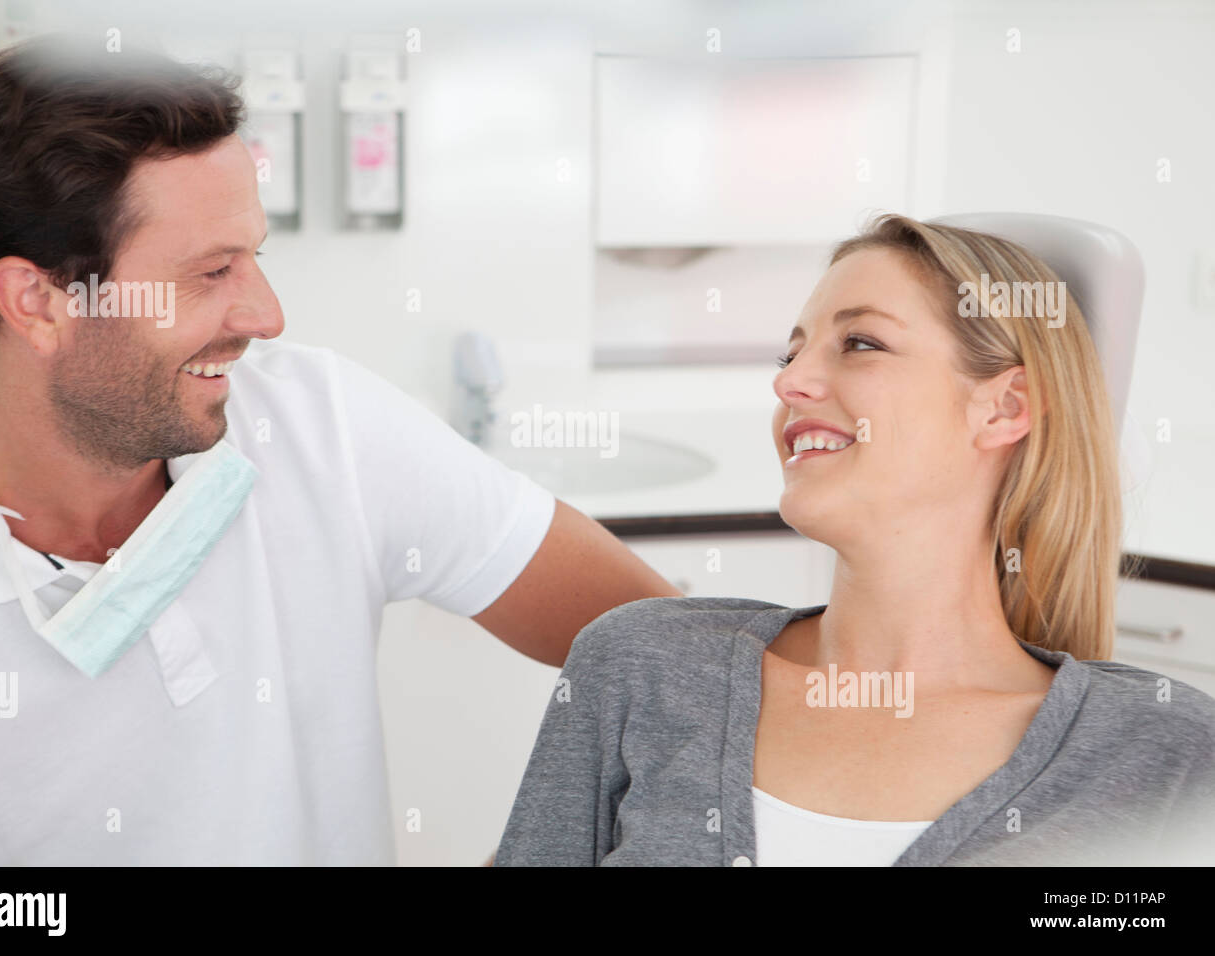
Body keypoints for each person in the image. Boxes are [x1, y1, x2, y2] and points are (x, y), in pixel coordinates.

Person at [0, 36, 678, 865]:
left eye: (255, 257)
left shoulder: (324, 429)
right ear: (38, 300)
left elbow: (672, 655)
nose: (266, 315)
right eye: (212, 272)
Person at [495, 213, 1215, 866]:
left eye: (860, 344)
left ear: (1004, 408)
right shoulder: (641, 664)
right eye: (790, 357)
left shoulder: (1165, 749)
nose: (791, 384)